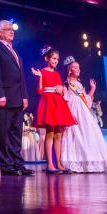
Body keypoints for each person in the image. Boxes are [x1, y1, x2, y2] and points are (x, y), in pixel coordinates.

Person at [0, 20, 32, 176]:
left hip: (17, 98)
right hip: (3, 98)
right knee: (2, 133)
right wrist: (0, 95)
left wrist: (24, 96)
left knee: (16, 133)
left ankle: (18, 163)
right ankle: (6, 165)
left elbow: (21, 76)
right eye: (8, 29)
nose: (12, 32)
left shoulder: (14, 51)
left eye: (13, 29)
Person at [59, 57, 107, 173]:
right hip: (72, 110)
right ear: (69, 70)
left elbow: (87, 101)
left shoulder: (79, 84)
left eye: (79, 67)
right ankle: (74, 161)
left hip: (83, 112)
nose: (78, 69)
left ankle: (89, 161)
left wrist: (93, 89)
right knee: (74, 134)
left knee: (87, 133)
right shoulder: (66, 84)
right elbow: (65, 100)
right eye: (75, 67)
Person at [32, 46, 76, 174]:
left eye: (57, 59)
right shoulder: (43, 72)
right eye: (53, 58)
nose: (56, 61)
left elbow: (61, 90)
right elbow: (40, 91)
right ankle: (50, 164)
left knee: (58, 134)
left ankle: (59, 163)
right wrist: (40, 77)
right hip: (48, 102)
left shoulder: (57, 73)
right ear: (47, 58)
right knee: (49, 133)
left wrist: (62, 89)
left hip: (58, 103)